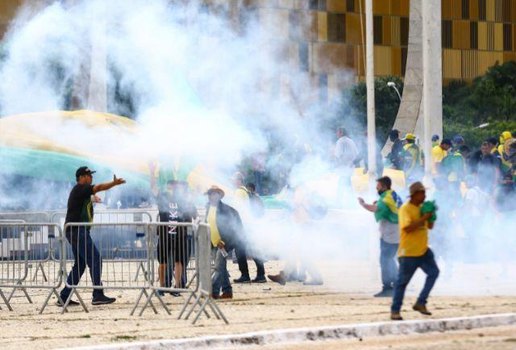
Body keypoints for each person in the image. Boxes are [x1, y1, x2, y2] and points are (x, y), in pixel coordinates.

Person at [58, 166, 126, 307]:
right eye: (89, 175)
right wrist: (113, 184)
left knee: (81, 264)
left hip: (75, 231)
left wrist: (93, 199)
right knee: (95, 259)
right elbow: (99, 187)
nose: (91, 177)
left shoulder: (81, 192)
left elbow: (87, 198)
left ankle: (64, 296)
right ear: (82, 177)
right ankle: (97, 294)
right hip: (77, 231)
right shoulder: (80, 188)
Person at [390, 182, 439, 321]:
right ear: (415, 194)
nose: (424, 196)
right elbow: (407, 228)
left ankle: (421, 302)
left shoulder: (422, 208)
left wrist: (431, 216)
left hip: (423, 250)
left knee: (434, 273)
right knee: (402, 283)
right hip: (409, 253)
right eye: (422, 193)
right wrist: (424, 217)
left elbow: (429, 226)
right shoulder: (405, 209)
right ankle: (395, 311)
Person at [151, 175, 198, 296]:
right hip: (164, 235)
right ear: (168, 187)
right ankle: (162, 287)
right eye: (171, 185)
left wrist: (192, 196)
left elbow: (193, 214)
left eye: (174, 186)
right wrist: (152, 173)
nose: (173, 188)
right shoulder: (163, 197)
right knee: (162, 262)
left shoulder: (183, 200)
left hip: (180, 236)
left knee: (179, 262)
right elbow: (154, 189)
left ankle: (177, 287)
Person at [358, 176, 402, 297]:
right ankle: (398, 283)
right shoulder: (392, 194)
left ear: (384, 186)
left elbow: (375, 208)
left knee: (385, 260)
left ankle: (388, 288)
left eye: (378, 187)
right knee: (390, 258)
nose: (376, 189)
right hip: (396, 231)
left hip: (391, 232)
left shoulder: (386, 198)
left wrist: (363, 204)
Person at [205, 185, 244, 299]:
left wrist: (224, 241)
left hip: (223, 243)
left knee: (218, 267)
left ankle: (214, 291)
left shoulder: (226, 210)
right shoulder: (208, 207)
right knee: (221, 267)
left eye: (215, 194)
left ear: (219, 196)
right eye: (211, 193)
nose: (213, 196)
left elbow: (230, 228)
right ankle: (226, 291)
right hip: (213, 242)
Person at [231, 172, 266, 283]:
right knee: (254, 250)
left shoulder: (238, 192)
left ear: (238, 181)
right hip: (249, 225)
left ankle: (245, 275)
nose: (232, 181)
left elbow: (237, 210)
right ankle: (261, 274)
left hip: (242, 225)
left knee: (240, 251)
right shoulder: (246, 191)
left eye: (234, 179)